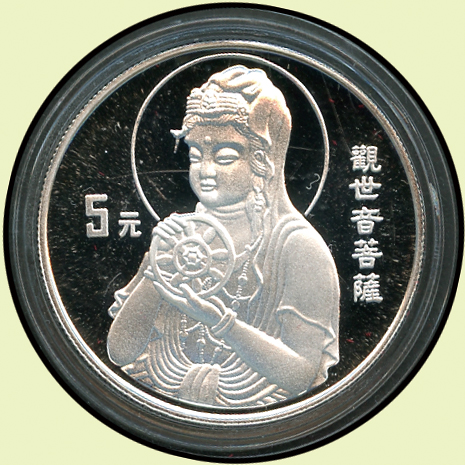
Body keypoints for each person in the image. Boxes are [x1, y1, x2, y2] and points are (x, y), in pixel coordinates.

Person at [107, 65, 339, 407]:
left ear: (263, 160)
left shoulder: (297, 247)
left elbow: (300, 374)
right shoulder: (181, 238)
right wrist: (157, 273)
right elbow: (119, 352)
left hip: (261, 410)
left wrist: (221, 323)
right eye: (195, 155)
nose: (206, 171)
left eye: (225, 157)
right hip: (159, 396)